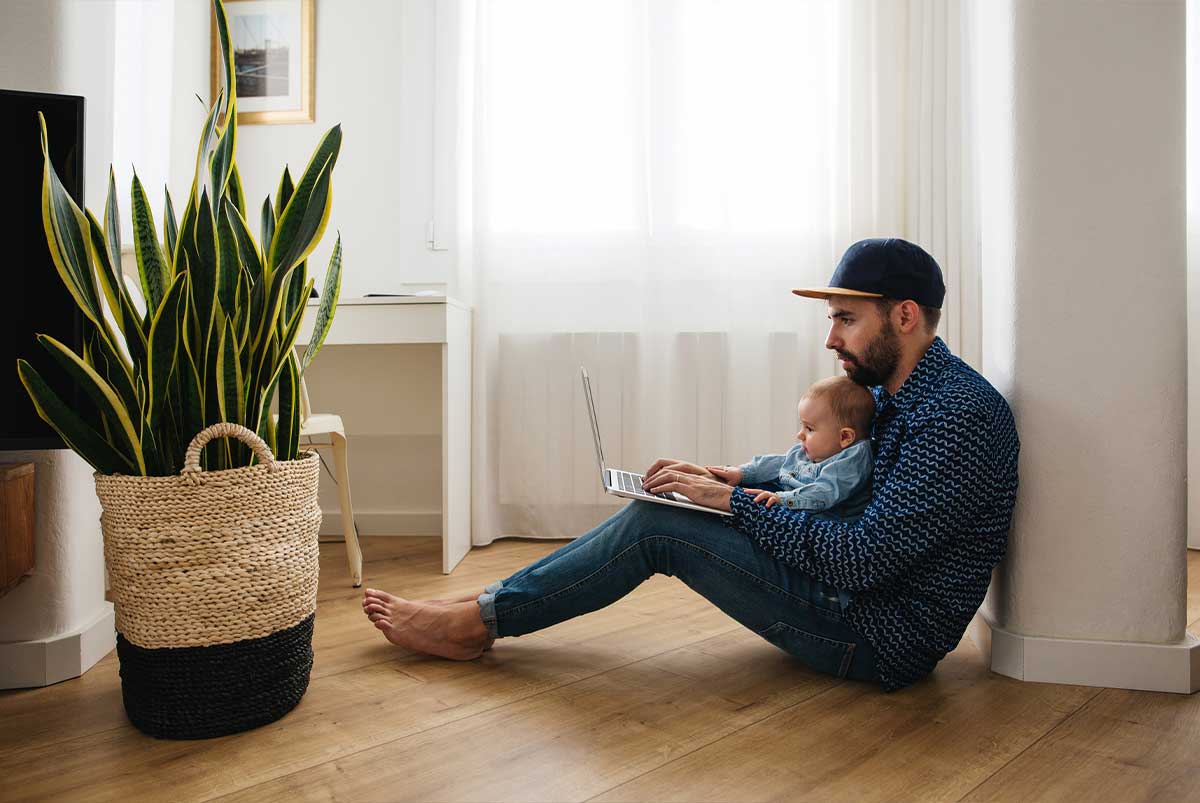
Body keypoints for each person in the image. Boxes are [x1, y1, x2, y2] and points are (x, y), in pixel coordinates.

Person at [362, 237, 1020, 691]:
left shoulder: (955, 417)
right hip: (853, 594)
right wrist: (730, 479)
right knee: (666, 505)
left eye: (846, 318)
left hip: (876, 634)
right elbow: (828, 482)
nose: (830, 337)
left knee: (660, 528)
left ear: (904, 315)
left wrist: (726, 505)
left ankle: (478, 622)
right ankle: (487, 607)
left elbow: (860, 560)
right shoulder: (896, 391)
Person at [707, 375, 875, 518]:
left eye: (809, 428)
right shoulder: (811, 451)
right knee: (739, 488)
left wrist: (781, 498)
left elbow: (825, 491)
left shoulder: (854, 459)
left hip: (820, 521)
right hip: (790, 501)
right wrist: (743, 473)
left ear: (845, 437)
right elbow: (780, 463)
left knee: (751, 501)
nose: (800, 434)